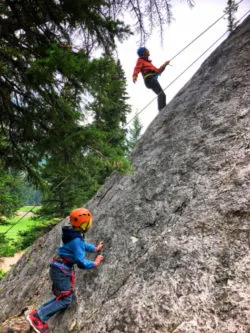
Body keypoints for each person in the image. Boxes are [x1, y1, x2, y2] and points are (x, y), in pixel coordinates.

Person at [26, 208, 104, 333]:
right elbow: (80, 261)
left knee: (63, 295)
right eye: (88, 223)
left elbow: (81, 245)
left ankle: (38, 313)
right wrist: (94, 263)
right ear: (84, 225)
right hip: (61, 270)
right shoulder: (76, 239)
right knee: (66, 299)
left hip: (59, 268)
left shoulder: (73, 233)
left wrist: (95, 249)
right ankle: (38, 318)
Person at [133, 47, 170, 111]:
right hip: (149, 79)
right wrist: (135, 76)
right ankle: (162, 110)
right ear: (143, 53)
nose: (148, 51)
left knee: (162, 95)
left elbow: (158, 71)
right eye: (147, 50)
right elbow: (137, 68)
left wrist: (164, 65)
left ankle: (163, 110)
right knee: (161, 94)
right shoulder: (140, 61)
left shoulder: (149, 64)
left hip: (152, 79)